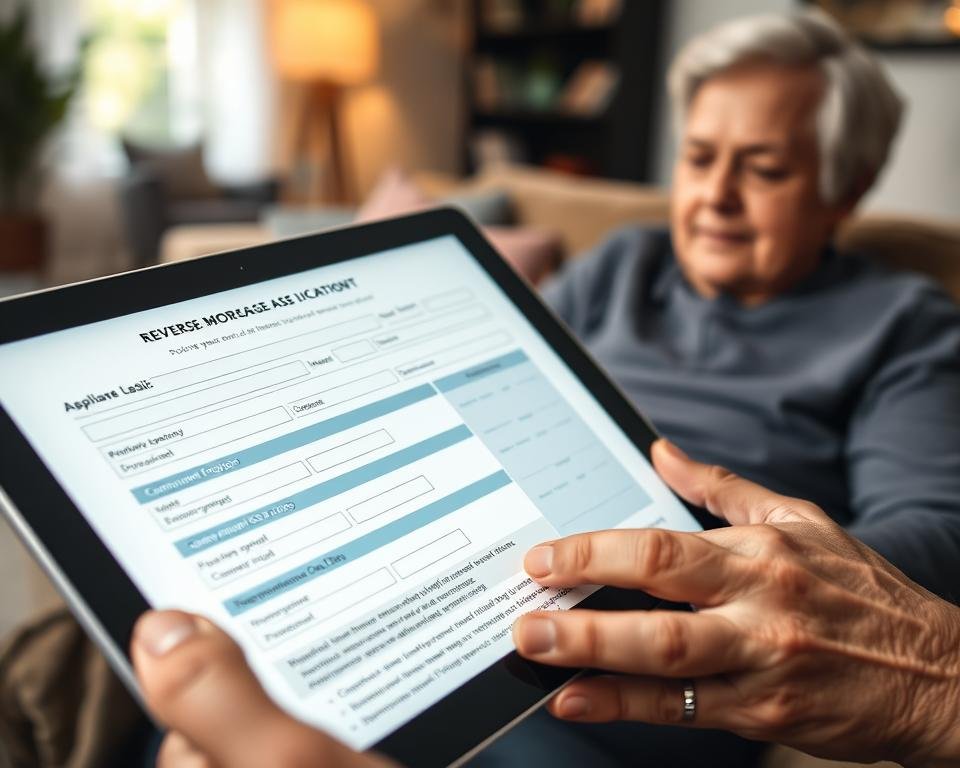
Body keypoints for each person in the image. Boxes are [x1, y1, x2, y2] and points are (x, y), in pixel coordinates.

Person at [131, 439, 960, 768]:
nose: (719, 196)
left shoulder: (895, 319)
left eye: (766, 168)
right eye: (700, 156)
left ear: (840, 185)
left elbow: (934, 528)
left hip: (705, 620)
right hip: (513, 558)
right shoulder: (620, 265)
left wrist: (730, 556)